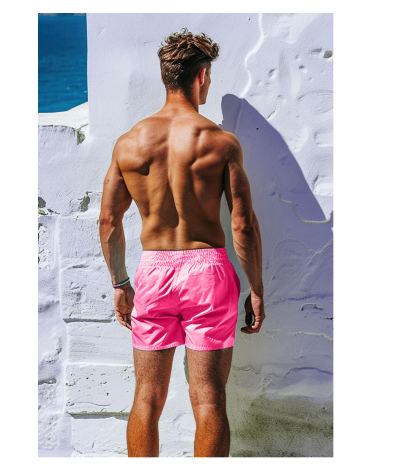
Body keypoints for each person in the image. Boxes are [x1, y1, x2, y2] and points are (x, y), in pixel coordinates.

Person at [99, 28, 265, 458]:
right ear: (202, 76)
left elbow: (108, 220)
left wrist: (120, 283)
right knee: (208, 398)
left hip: (153, 272)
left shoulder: (129, 143)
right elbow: (243, 226)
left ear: (164, 77)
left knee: (146, 397)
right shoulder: (220, 142)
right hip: (208, 272)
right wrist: (257, 288)